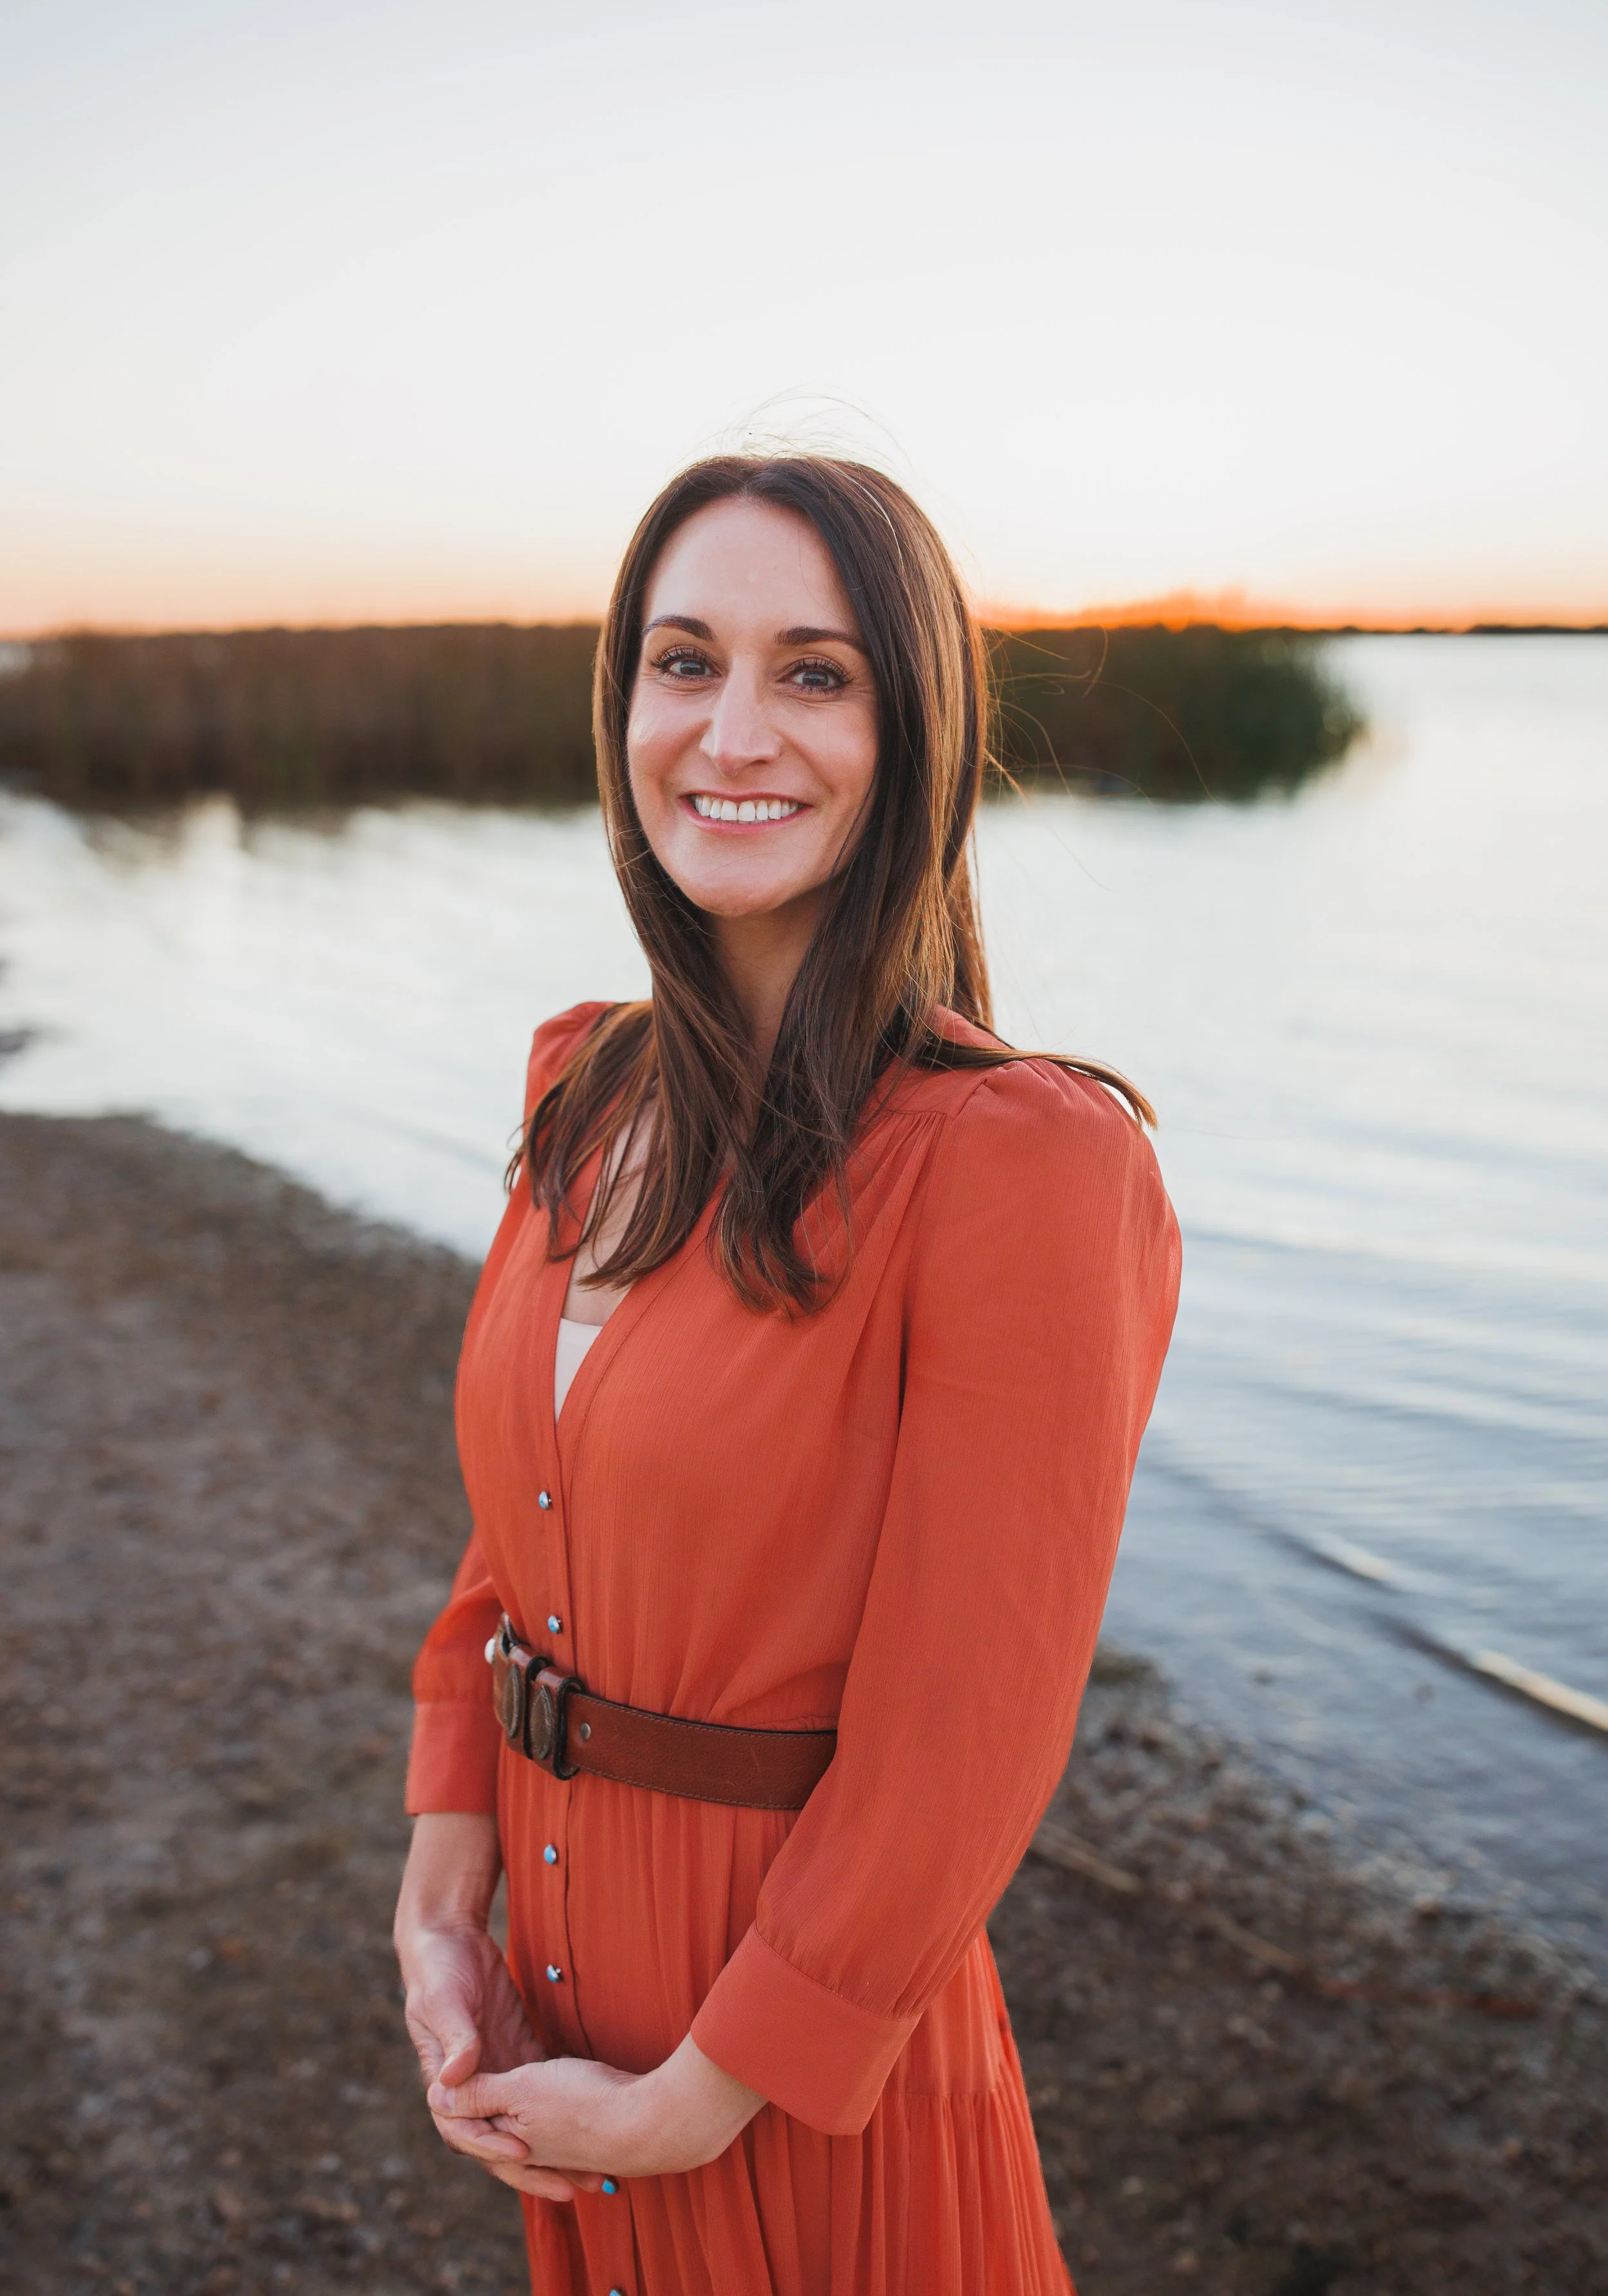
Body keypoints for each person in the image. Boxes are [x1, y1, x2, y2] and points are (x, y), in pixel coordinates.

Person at [392, 454, 1180, 2296]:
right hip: (557, 1996)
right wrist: (440, 1896)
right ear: (622, 706)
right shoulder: (582, 1086)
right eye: (685, 661)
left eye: (814, 673)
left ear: (914, 734)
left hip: (792, 2056)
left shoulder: (1023, 1163)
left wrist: (706, 2092)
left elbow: (964, 1728)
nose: (732, 731)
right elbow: (519, 1540)